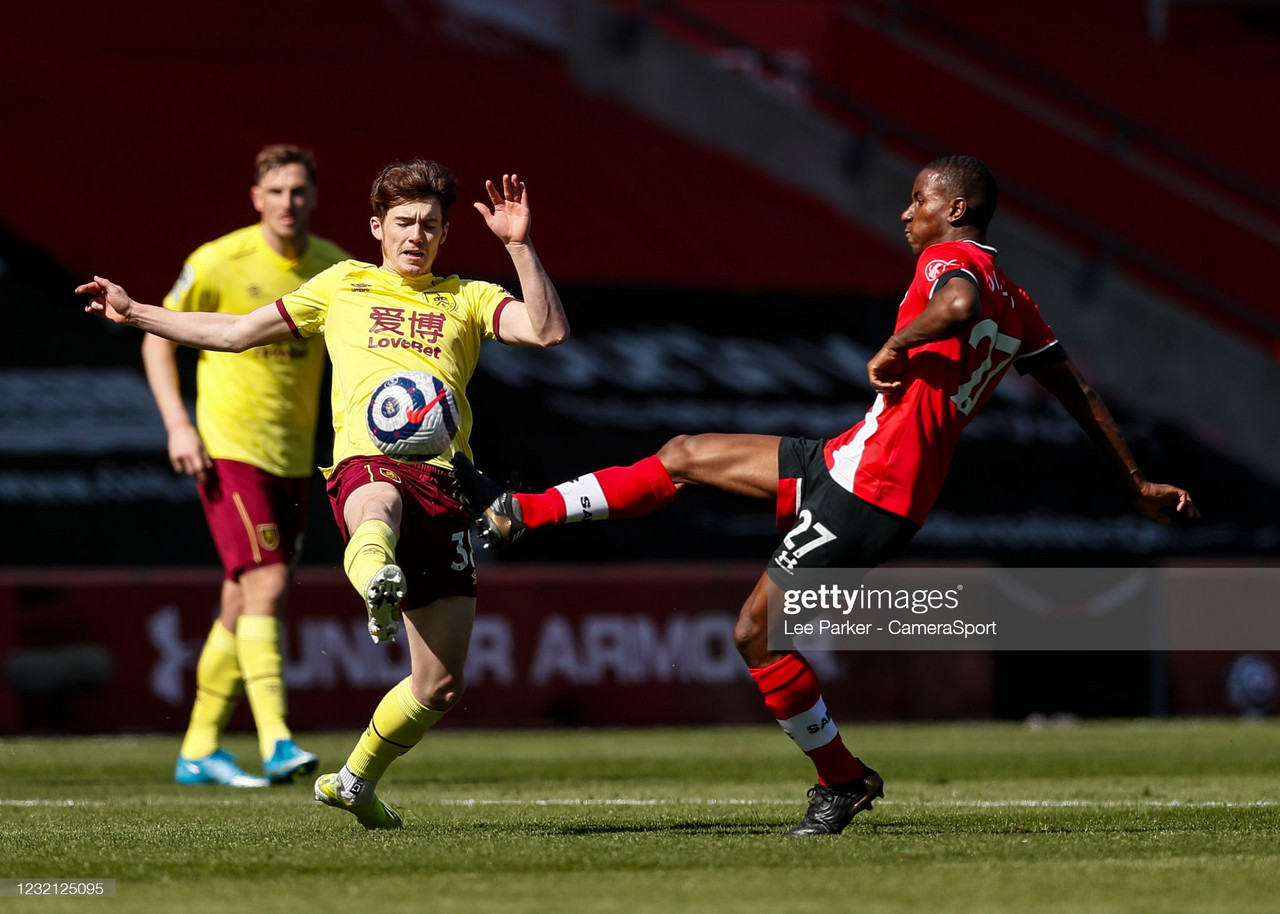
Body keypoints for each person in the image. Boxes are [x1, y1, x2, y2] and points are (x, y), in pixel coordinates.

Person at [453, 155, 1200, 837]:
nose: (906, 214)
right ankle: (521, 511)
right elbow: (1076, 388)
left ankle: (841, 781)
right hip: (849, 459)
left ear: (959, 209)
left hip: (872, 491)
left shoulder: (957, 261)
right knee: (685, 454)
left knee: (754, 633)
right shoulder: (1023, 302)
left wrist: (895, 343)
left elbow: (960, 301)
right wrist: (1132, 482)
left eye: (919, 201)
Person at [81, 159, 569, 828]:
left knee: (440, 685)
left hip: (446, 482)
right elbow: (233, 333)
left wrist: (518, 244)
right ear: (376, 227)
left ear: (446, 233)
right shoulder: (341, 285)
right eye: (402, 223)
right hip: (367, 463)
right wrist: (135, 312)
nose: (414, 236)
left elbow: (547, 331)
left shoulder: (467, 297)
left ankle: (355, 779)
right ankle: (377, 580)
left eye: (429, 225)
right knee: (378, 507)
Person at [143, 144, 349, 789]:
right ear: (256, 198)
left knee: (244, 595)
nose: (289, 202)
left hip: (294, 456)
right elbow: (158, 337)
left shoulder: (334, 267)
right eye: (277, 191)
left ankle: (198, 748)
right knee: (266, 587)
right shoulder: (218, 261)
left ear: (313, 199)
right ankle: (278, 740)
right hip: (229, 446)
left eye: (299, 191)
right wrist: (179, 424)